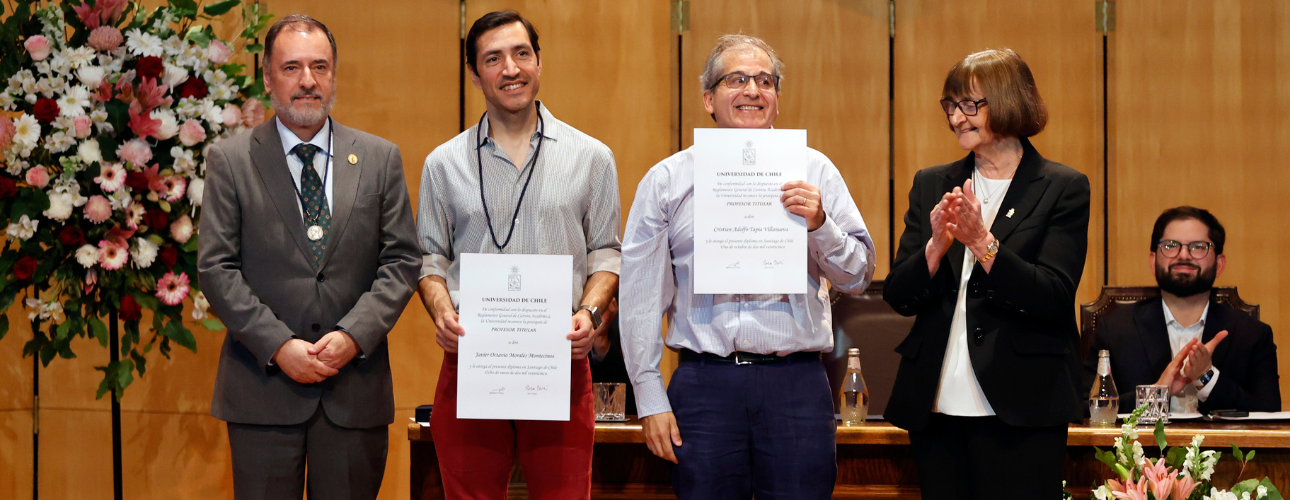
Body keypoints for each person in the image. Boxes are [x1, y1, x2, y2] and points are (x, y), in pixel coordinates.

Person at [621, 34, 876, 500]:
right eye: (736, 79)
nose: (753, 90)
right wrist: (650, 397)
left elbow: (858, 276)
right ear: (708, 99)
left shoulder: (815, 170)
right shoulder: (667, 181)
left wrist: (820, 224)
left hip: (795, 384)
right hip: (704, 386)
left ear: (777, 97)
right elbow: (639, 300)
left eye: (765, 80)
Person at [198, 14, 420, 500]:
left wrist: (353, 335)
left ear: (334, 75)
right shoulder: (230, 161)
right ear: (267, 77)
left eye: (320, 67)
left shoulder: (380, 158)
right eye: (292, 67)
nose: (307, 81)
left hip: (353, 390)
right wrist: (279, 345)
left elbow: (402, 260)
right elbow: (216, 268)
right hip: (262, 391)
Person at [415, 10, 621, 499]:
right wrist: (443, 314)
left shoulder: (592, 157)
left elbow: (607, 253)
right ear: (474, 73)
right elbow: (428, 259)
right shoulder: (443, 164)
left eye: (521, 53)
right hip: (470, 360)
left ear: (539, 61)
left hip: (562, 361)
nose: (511, 68)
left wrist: (589, 314)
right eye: (493, 58)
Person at [882, 48, 1090, 499]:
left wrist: (982, 242)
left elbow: (1053, 295)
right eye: (951, 106)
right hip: (936, 401)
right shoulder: (932, 182)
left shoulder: (1062, 186)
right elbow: (899, 295)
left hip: (1023, 401)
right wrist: (936, 247)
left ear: (1009, 100)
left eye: (970, 105)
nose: (957, 117)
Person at [1083, 207, 1279, 413]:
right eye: (1170, 245)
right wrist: (1156, 393)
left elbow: (1269, 415)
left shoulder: (1252, 334)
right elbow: (1086, 409)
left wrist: (1206, 378)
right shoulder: (1114, 329)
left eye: (1199, 247)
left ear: (1219, 264)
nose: (1184, 255)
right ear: (1153, 261)